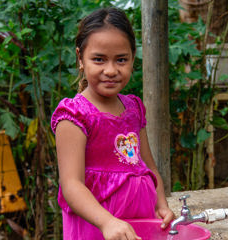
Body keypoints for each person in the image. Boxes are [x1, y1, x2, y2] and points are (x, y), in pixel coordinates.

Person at [51, 7, 174, 240]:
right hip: (96, 228)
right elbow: (71, 186)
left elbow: (148, 168)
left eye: (121, 60)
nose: (110, 70)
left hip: (139, 226)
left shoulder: (134, 108)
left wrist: (161, 205)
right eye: (99, 59)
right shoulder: (74, 115)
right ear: (80, 58)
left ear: (132, 58)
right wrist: (107, 223)